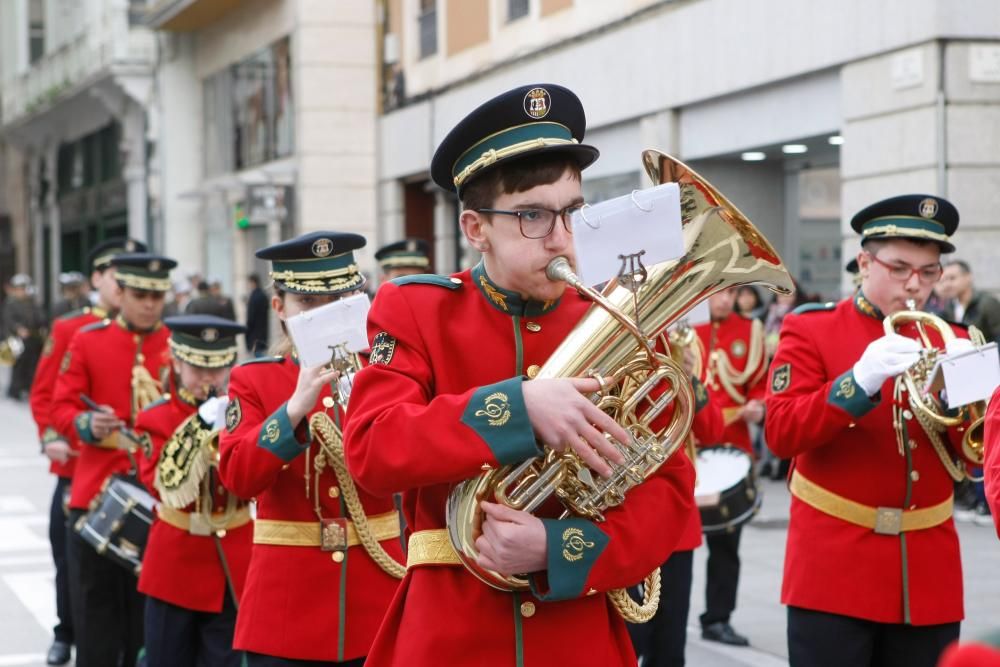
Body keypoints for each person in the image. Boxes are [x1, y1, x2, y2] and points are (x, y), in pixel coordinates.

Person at [343, 83, 695, 666]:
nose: (561, 237)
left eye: (573, 211)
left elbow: (672, 497)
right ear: (475, 227)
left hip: (577, 635)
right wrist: (515, 407)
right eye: (532, 214)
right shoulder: (417, 309)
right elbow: (371, 450)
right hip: (449, 635)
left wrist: (557, 548)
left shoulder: (619, 319)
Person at [765, 194, 978, 667]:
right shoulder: (813, 330)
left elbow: (976, 458)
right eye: (899, 268)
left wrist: (969, 405)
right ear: (864, 261)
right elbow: (780, 433)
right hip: (834, 570)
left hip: (928, 572)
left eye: (929, 272)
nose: (915, 285)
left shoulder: (957, 341)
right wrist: (856, 383)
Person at [218, 231, 404, 666]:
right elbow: (238, 478)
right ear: (280, 308)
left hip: (377, 593)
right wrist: (293, 410)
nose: (325, 317)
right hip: (287, 608)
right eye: (307, 305)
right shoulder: (255, 380)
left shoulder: (390, 371)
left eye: (340, 301)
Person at [51, 252, 175, 667]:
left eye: (156, 296)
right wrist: (87, 423)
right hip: (97, 494)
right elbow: (61, 408)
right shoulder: (88, 339)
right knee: (95, 617)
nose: (149, 304)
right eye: (139, 294)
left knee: (147, 623)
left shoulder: (177, 345)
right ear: (119, 292)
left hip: (160, 496)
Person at [28, 237, 144, 666]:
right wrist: (51, 436)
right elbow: (45, 395)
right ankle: (66, 631)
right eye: (117, 275)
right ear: (98, 278)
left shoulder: (161, 338)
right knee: (73, 564)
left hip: (137, 476)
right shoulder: (70, 329)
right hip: (79, 471)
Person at [135, 315, 252, 667]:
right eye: (197, 367)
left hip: (235, 559)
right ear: (177, 361)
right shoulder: (155, 416)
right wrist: (199, 426)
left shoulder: (247, 410)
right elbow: (157, 484)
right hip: (176, 563)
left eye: (218, 369)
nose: (208, 378)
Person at [627, 339, 724, 667]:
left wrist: (688, 377)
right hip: (620, 514)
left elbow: (712, 430)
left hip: (674, 519)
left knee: (669, 646)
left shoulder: (680, 348)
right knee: (626, 640)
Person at [692, 286, 767, 646]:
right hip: (688, 447)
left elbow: (760, 385)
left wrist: (758, 403)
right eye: (718, 293)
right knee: (671, 547)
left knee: (726, 544)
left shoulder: (750, 331)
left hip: (731, 448)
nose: (724, 300)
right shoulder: (685, 327)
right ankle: (659, 617)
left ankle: (717, 619)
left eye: (732, 293)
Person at [4, 273, 46, 400]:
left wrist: (41, 327)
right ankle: (15, 390)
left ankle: (29, 387)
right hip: (17, 340)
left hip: (33, 338)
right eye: (19, 288)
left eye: (23, 288)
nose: (22, 291)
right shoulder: (11, 304)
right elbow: (8, 320)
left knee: (33, 364)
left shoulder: (32, 303)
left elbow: (40, 317)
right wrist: (18, 329)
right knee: (19, 364)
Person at [939, 260, 1000, 344]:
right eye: (945, 279)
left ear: (968, 277)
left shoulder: (987, 303)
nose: (947, 284)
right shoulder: (949, 306)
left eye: (952, 278)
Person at [244, 274, 269, 357]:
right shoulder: (263, 295)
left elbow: (251, 317)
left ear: (253, 283)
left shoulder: (254, 297)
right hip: (263, 332)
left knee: (257, 357)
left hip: (254, 334)